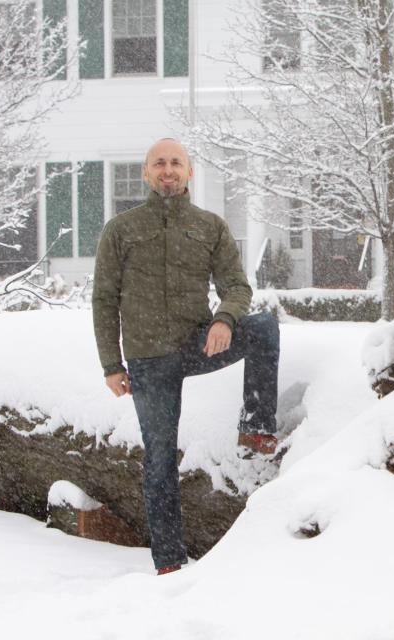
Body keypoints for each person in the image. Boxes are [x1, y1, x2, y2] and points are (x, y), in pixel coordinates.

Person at [92, 138, 280, 575]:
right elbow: (103, 300)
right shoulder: (121, 230)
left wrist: (225, 320)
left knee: (265, 329)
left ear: (190, 172)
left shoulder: (209, 226)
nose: (168, 170)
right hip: (148, 360)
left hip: (197, 343)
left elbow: (237, 286)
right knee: (159, 458)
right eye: (159, 163)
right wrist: (111, 365)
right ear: (146, 173)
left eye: (176, 162)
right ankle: (170, 562)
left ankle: (255, 430)